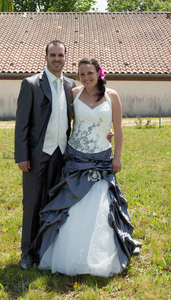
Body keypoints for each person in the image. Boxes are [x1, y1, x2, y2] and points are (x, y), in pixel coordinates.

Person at [35, 58, 142, 277]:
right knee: (72, 205)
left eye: (89, 73)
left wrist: (118, 157)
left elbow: (119, 129)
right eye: (81, 74)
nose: (86, 78)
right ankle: (66, 252)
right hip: (76, 158)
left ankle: (101, 254)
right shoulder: (73, 94)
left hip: (102, 158)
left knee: (102, 205)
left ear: (98, 73)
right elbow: (60, 122)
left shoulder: (112, 96)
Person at [14, 40, 76, 270]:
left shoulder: (71, 85)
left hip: (60, 153)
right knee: (32, 203)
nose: (57, 59)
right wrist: (22, 155)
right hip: (36, 154)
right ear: (46, 56)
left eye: (61, 55)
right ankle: (27, 253)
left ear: (65, 57)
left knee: (51, 202)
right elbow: (21, 124)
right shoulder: (31, 84)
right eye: (53, 55)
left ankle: (45, 248)